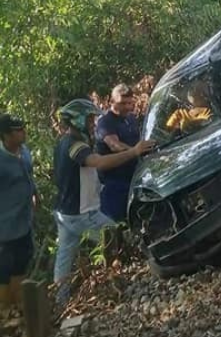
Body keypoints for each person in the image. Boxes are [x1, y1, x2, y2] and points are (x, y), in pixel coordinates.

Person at [53, 99, 155, 304]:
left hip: (66, 213)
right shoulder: (75, 145)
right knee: (113, 237)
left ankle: (59, 301)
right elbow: (98, 162)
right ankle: (116, 288)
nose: (92, 123)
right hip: (82, 214)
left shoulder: (63, 143)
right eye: (89, 119)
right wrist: (134, 151)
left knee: (64, 259)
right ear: (78, 120)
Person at [0, 114, 36, 308]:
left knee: (21, 266)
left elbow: (29, 174)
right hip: (4, 228)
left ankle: (19, 311)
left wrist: (34, 195)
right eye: (18, 130)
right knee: (3, 273)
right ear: (5, 135)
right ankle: (5, 315)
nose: (23, 132)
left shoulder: (24, 151)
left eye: (23, 128)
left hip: (24, 222)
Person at [94, 84, 140, 222]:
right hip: (113, 184)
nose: (127, 107)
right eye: (122, 103)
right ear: (112, 102)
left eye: (129, 103)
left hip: (134, 178)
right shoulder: (105, 122)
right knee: (114, 226)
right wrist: (137, 151)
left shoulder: (131, 119)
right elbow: (115, 145)